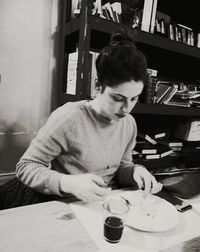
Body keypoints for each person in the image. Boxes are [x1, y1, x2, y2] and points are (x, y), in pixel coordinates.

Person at [0, 27, 162, 209]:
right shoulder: (69, 118)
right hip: (58, 203)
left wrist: (134, 171)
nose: (126, 109)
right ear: (97, 87)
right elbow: (26, 166)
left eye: (134, 99)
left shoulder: (129, 124)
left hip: (97, 204)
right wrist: (68, 183)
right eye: (118, 98)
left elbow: (122, 167)